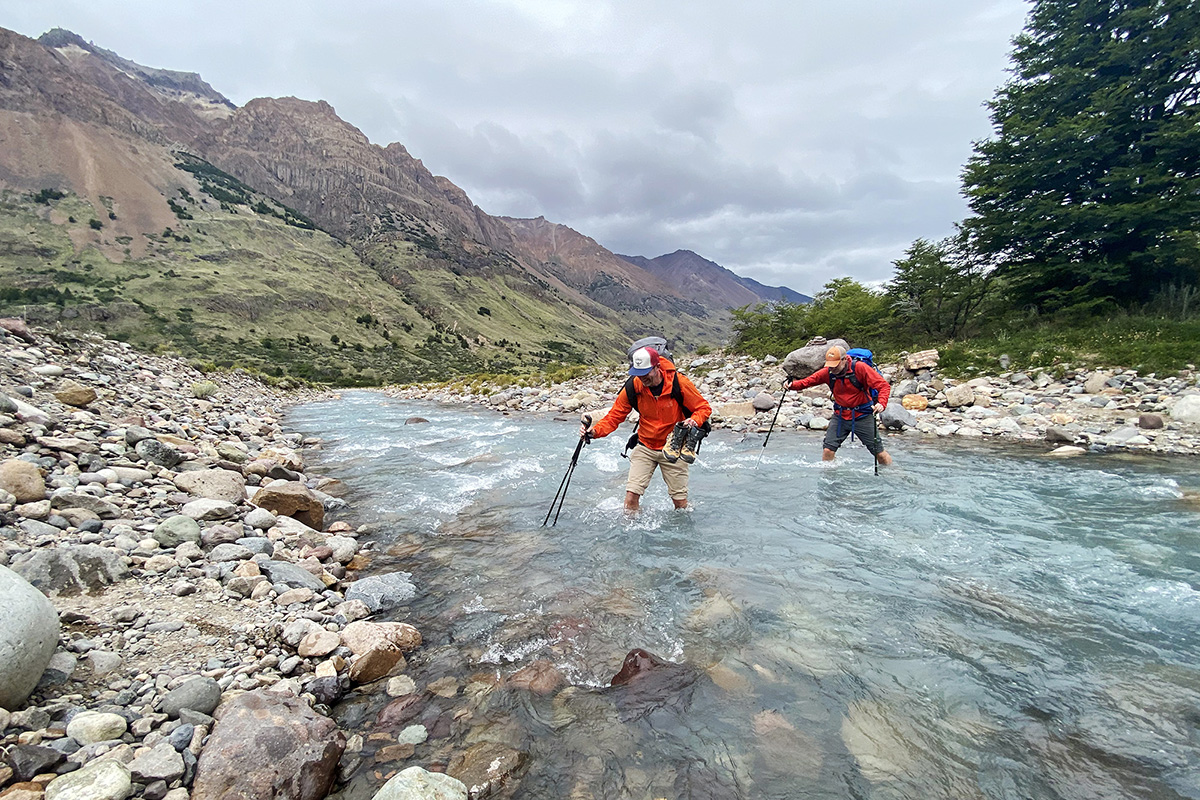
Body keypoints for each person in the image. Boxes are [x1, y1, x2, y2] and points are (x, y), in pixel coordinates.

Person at [581, 346, 712, 512]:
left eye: (645, 373)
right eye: (638, 373)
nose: (642, 377)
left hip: (674, 448)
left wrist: (694, 420)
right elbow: (615, 416)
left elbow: (703, 408)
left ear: (657, 367)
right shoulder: (633, 386)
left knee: (680, 504)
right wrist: (594, 432)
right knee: (631, 497)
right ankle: (631, 527)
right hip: (645, 445)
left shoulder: (679, 383)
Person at [784, 345, 893, 465]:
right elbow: (808, 381)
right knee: (828, 450)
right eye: (830, 365)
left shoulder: (860, 368)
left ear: (844, 359)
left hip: (862, 415)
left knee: (879, 453)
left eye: (835, 365)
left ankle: (890, 471)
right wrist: (791, 385)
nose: (832, 369)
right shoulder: (828, 372)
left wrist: (881, 404)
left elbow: (883, 386)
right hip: (840, 416)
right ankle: (830, 475)